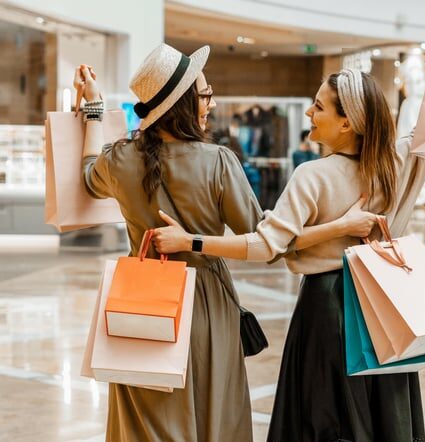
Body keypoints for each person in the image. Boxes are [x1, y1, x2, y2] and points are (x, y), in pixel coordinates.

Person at [75, 43, 376, 442]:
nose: (211, 104)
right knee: (213, 413)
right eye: (205, 95)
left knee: (146, 419)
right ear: (184, 104)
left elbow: (85, 174)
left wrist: (92, 107)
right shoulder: (218, 162)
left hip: (140, 303)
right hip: (207, 306)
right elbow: (271, 243)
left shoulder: (119, 160)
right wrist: (341, 226)